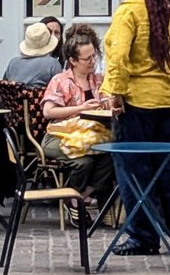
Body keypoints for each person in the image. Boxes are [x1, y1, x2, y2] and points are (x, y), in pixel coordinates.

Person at [101, 0, 170, 257]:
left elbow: (118, 56)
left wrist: (114, 92)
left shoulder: (128, 13)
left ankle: (143, 235)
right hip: (167, 100)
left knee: (134, 170)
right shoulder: (167, 10)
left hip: (136, 102)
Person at [41, 23, 116, 209]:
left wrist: (109, 103)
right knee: (84, 163)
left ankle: (80, 195)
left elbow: (109, 100)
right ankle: (73, 196)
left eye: (93, 56)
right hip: (60, 136)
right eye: (87, 58)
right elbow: (48, 111)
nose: (92, 61)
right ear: (73, 61)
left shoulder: (97, 80)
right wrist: (80, 108)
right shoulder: (61, 81)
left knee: (112, 155)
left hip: (90, 136)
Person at [3, 21, 63, 86]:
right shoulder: (52, 64)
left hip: (12, 96)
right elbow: (61, 89)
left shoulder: (13, 63)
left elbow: (3, 86)